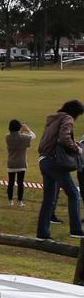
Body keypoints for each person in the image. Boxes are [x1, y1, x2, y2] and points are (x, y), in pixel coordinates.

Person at [36, 100, 84, 240]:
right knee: (74, 194)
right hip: (55, 162)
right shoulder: (67, 119)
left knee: (49, 199)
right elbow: (64, 138)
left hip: (43, 160)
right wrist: (77, 149)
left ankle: (42, 233)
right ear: (74, 113)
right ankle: (76, 230)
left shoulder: (52, 120)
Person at [6, 120, 34, 206]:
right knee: (20, 183)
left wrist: (20, 131)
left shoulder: (7, 137)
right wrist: (27, 129)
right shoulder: (23, 137)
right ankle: (19, 201)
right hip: (21, 163)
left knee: (10, 183)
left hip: (11, 163)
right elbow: (32, 136)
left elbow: (15, 137)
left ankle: (10, 201)